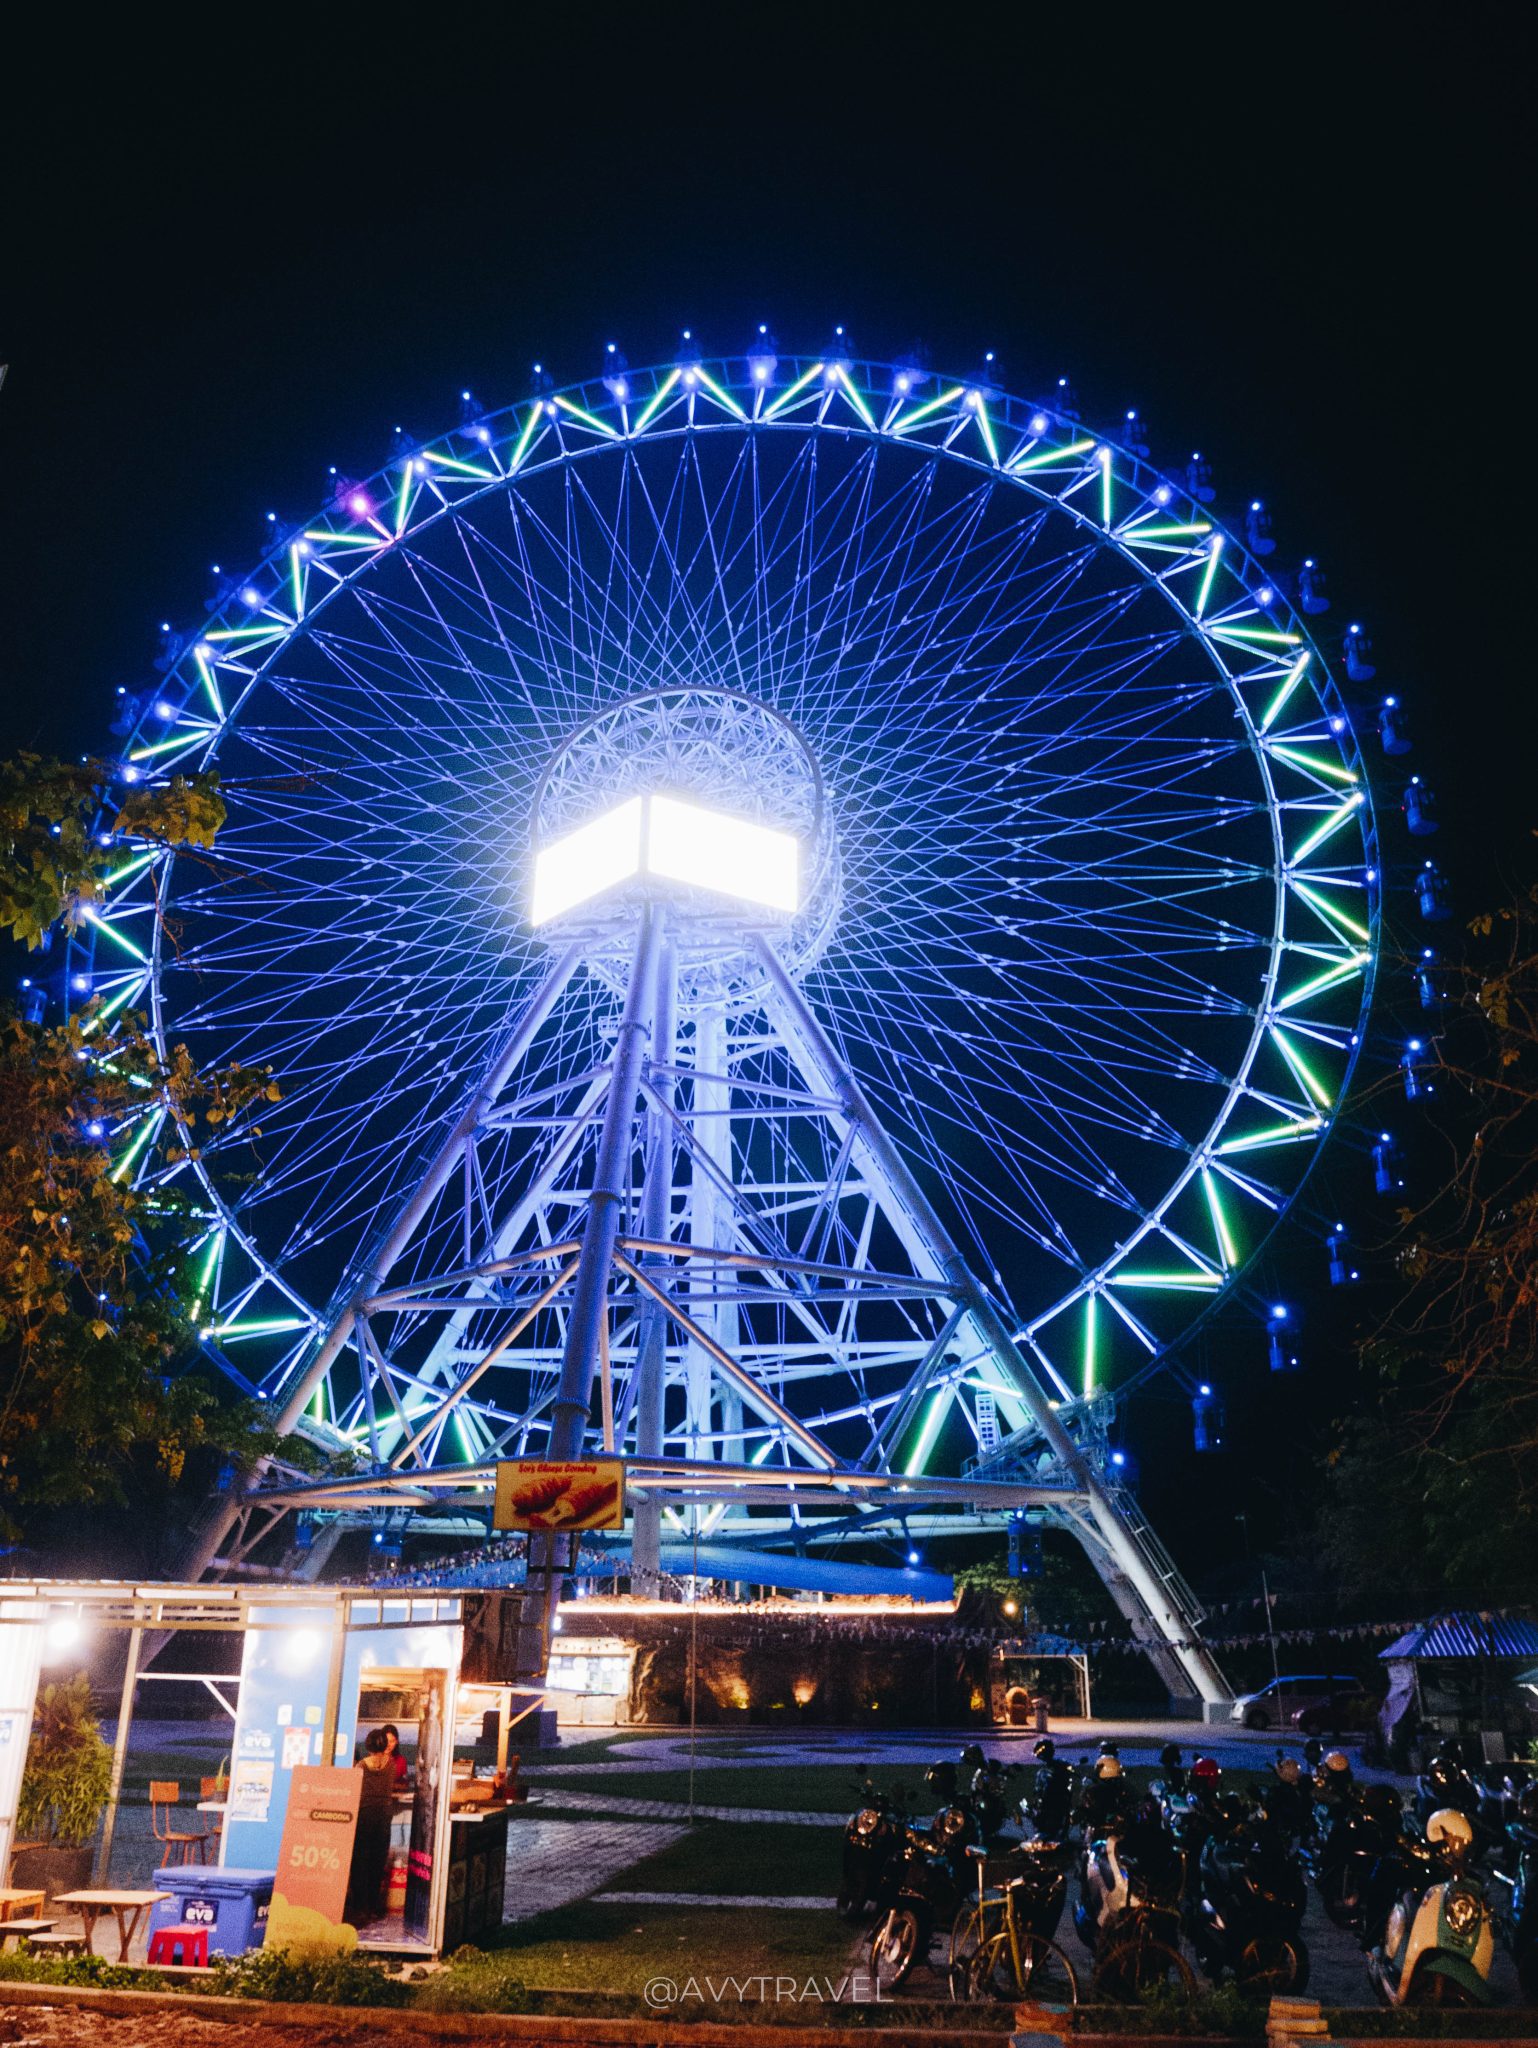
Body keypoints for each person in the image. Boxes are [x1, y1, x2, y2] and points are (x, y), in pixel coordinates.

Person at [345, 1729, 396, 1926]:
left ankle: (360, 1908)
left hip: (364, 1816)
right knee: (377, 1862)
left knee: (360, 1862)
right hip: (383, 1817)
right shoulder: (390, 1764)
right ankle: (373, 1907)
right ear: (383, 1745)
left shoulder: (361, 1765)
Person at [379, 1722, 411, 1787]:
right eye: (386, 1741)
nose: (388, 1744)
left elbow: (405, 1784)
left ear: (397, 1741)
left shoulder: (401, 1760)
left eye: (392, 1741)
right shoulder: (373, 1759)